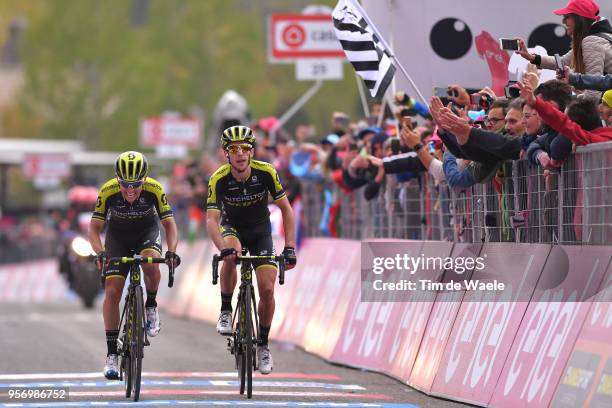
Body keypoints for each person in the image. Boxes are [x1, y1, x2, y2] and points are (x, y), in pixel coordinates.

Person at [206, 125, 297, 375]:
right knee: (231, 255)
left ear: (252, 151)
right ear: (226, 153)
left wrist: (289, 247)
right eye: (234, 149)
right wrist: (222, 248)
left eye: (245, 148)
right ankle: (226, 310)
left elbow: (287, 210)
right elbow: (212, 220)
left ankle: (263, 344)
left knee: (267, 289)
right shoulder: (219, 178)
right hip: (232, 228)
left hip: (260, 231)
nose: (240, 153)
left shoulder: (266, 172)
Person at [88, 151, 181, 380]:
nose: (130, 190)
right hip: (118, 238)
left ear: (144, 180)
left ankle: (150, 304)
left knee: (151, 264)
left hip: (146, 233)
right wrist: (100, 252)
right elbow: (94, 229)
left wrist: (171, 252)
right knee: (112, 291)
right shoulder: (108, 191)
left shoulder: (155, 189)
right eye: (125, 185)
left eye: (136, 185)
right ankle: (111, 354)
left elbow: (169, 225)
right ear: (117, 180)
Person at [515, 0, 612, 98]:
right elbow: (564, 61)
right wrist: (531, 57)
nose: (563, 22)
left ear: (579, 19)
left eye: (567, 17)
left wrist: (576, 110)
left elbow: (594, 92)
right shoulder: (595, 38)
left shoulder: (591, 41)